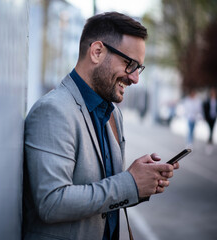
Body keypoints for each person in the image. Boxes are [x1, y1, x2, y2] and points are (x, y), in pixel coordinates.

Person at [23, 12, 179, 240]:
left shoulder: (114, 114)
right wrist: (130, 183)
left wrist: (143, 182)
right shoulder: (53, 111)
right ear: (97, 52)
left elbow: (107, 195)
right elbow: (51, 202)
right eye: (130, 64)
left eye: (139, 68)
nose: (135, 78)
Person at [202, 88, 217, 153]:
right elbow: (205, 108)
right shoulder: (208, 100)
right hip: (209, 118)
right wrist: (205, 117)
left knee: (211, 130)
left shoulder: (215, 100)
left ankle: (210, 143)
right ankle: (209, 143)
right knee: (210, 130)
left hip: (214, 117)